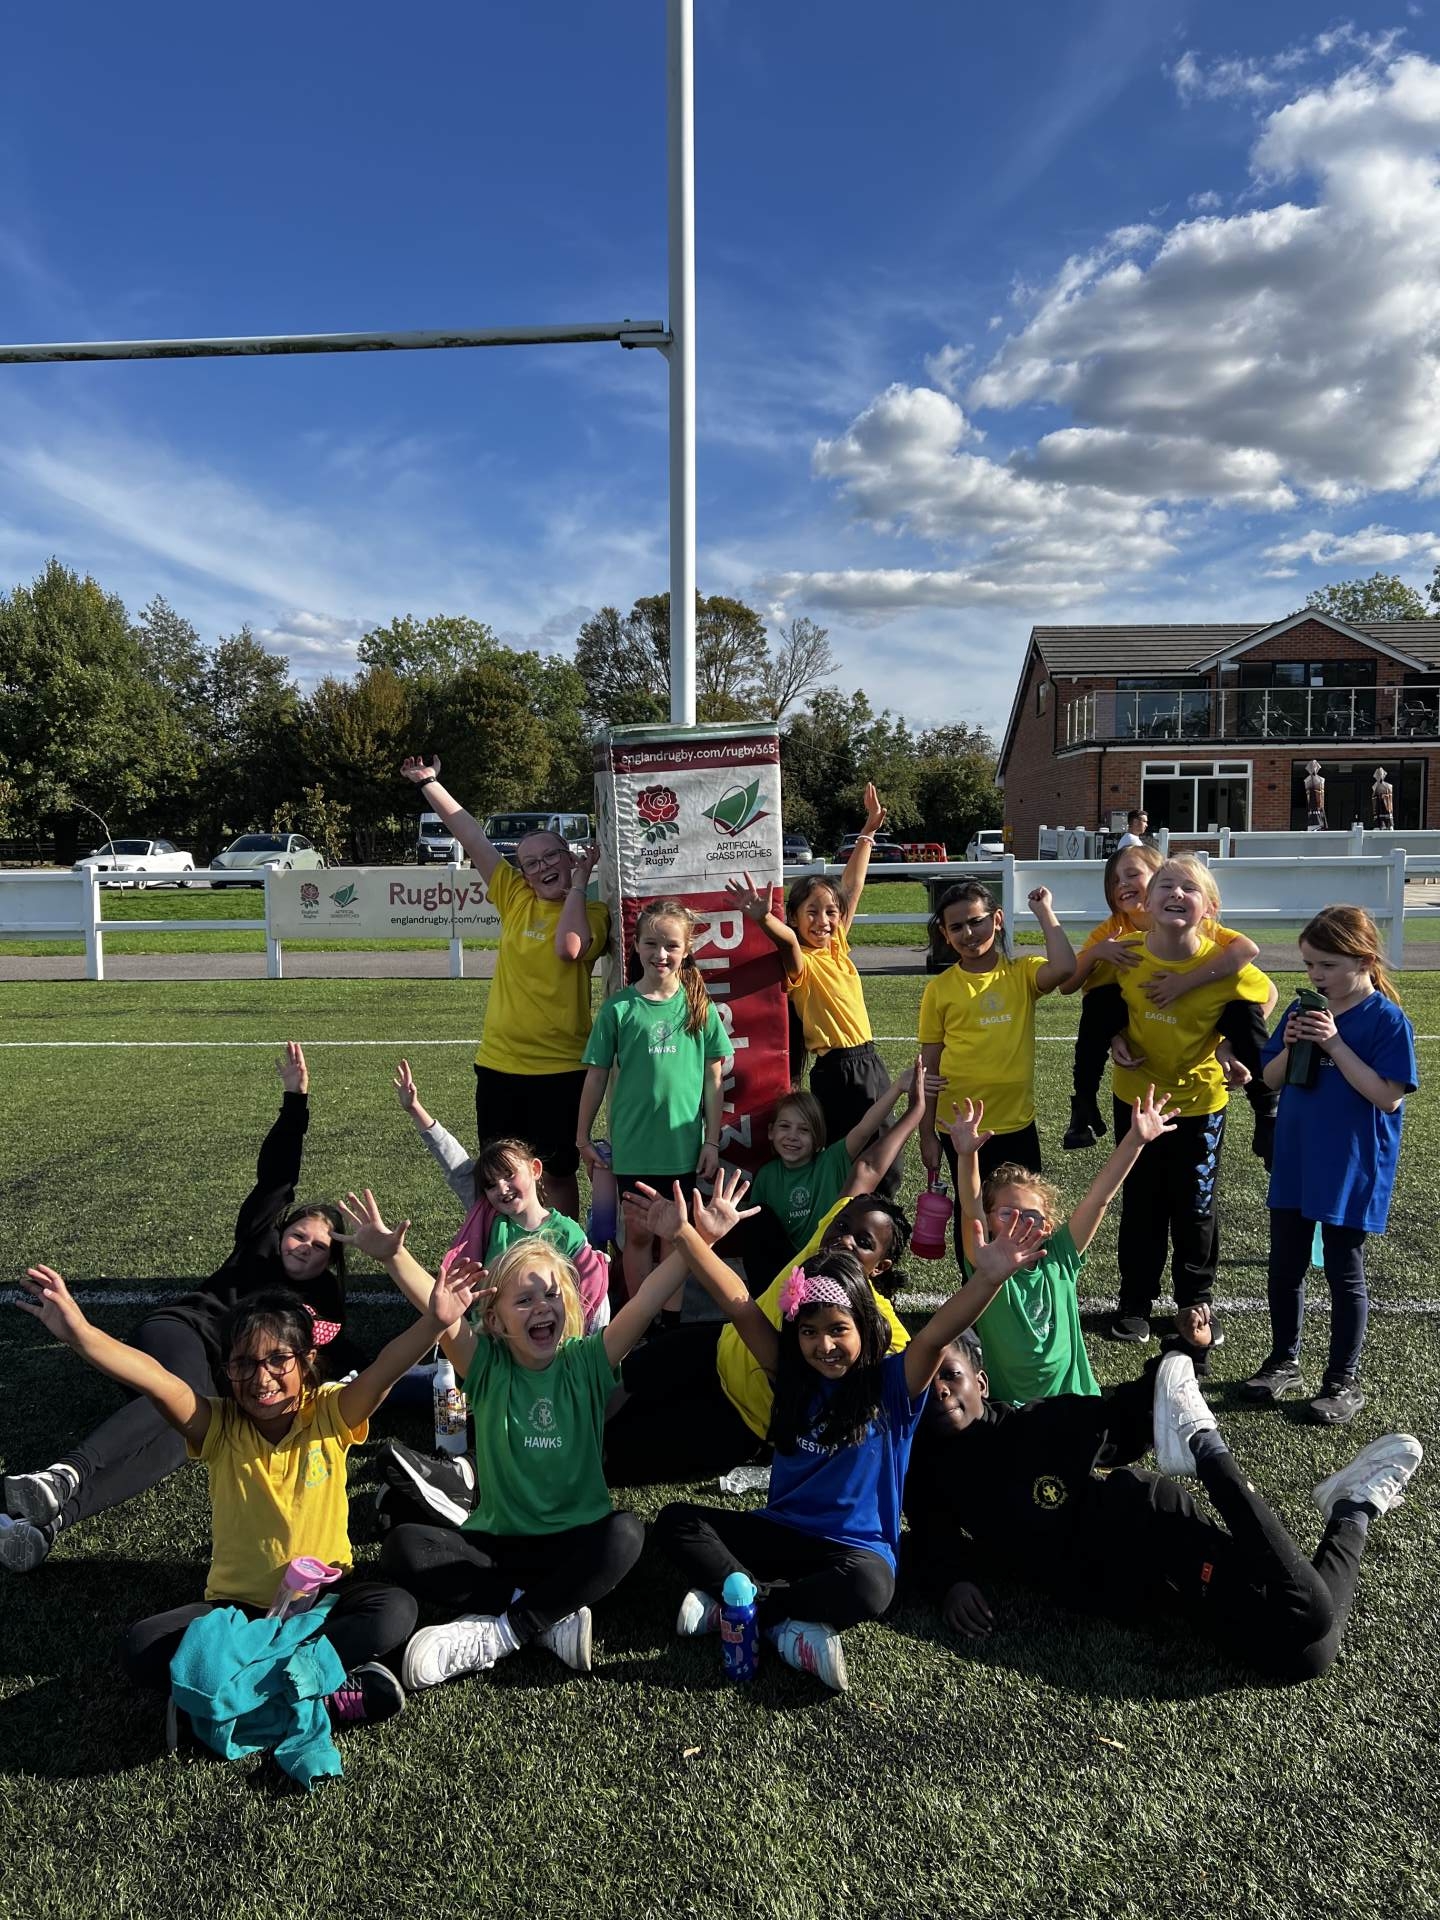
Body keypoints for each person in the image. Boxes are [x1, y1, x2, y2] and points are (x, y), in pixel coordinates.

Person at [13, 1263, 484, 1728]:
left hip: (324, 1601)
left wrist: (436, 1322)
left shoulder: (331, 1414)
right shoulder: (217, 1426)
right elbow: (155, 1379)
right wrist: (80, 1333)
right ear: (227, 1370)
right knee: (141, 1646)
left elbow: (385, 1370)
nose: (262, 1378)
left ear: (307, 1360)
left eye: (278, 1359)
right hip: (238, 1614)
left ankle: (247, 1694)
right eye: (244, 1364)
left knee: (394, 1609)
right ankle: (315, 1692)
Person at [340, 1172, 755, 1689]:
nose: (542, 1307)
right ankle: (548, 1616)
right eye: (524, 1300)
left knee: (626, 1533)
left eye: (552, 1295)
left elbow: (647, 1299)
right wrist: (393, 1256)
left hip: (576, 1547)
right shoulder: (486, 1367)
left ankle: (505, 1631)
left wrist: (701, 1238)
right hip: (500, 1546)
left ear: (569, 1305)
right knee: (403, 1547)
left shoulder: (587, 1361)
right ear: (495, 1321)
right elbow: (442, 1311)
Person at [651, 1203, 1046, 1690]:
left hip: (853, 1552)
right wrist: (684, 1234)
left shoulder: (894, 1386)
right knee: (676, 1521)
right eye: (809, 1332)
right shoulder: (791, 1376)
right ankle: (773, 1615)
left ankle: (747, 1607)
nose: (824, 1346)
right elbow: (740, 1305)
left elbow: (936, 1335)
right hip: (781, 1533)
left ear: (864, 1324)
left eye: (839, 1329)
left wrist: (988, 1279)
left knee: (873, 1587)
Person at [3, 1045, 361, 1575]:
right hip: (182, 1334)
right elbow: (277, 1179)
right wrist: (295, 1101)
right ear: (282, 1231)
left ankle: (48, 1523)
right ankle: (64, 1474)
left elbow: (338, 1359)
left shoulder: (326, 1303)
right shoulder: (259, 1244)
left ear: (333, 1259)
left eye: (320, 1246)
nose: (305, 1247)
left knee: (178, 1442)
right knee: (184, 1392)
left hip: (217, 1380)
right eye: (299, 1234)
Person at [902, 1319, 1422, 1684]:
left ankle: (1206, 1447)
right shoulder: (926, 1468)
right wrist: (951, 1582)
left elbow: (1123, 1413)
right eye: (928, 1382)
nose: (941, 1389)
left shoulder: (1035, 1425)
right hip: (1145, 1591)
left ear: (981, 1382)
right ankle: (1351, 1508)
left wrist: (1185, 1352)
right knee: (1306, 1656)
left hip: (1155, 1529)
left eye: (952, 1374)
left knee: (1305, 1611)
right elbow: (929, 1533)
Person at [399, 754, 609, 1223]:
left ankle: (562, 1252)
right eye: (531, 863)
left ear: (569, 858)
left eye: (551, 856)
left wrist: (579, 885)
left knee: (557, 1174)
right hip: (500, 1065)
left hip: (561, 1069)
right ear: (523, 873)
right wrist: (428, 782)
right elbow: (471, 835)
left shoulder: (593, 912)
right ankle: (505, 1255)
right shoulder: (515, 897)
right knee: (498, 1177)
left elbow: (570, 949)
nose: (542, 867)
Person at [602, 1191, 915, 1490]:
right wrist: (686, 1231)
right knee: (608, 1386)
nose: (845, 1239)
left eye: (864, 1242)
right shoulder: (829, 1240)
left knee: (615, 1453)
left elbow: (915, 1363)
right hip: (719, 1346)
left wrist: (685, 1234)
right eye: (842, 1226)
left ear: (880, 1267)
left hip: (738, 1419)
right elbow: (864, 1175)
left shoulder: (878, 1322)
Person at [1245, 906, 1418, 1426]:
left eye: (1327, 964)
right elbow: (1270, 1079)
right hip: (1296, 1157)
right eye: (1309, 965)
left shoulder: (1386, 1019)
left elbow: (1387, 1096)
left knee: (1344, 1271)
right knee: (1285, 1265)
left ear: (1363, 961)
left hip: (1351, 1164)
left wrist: (1334, 1043)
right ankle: (1283, 1361)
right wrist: (1291, 1043)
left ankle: (1342, 1379)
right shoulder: (1302, 1010)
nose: (1315, 975)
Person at [1105, 855, 1276, 1346]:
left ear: (1209, 909)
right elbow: (1100, 1003)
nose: (1176, 894)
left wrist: (1228, 1045)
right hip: (1138, 1101)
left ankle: (1194, 1303)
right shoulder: (1127, 954)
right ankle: (1135, 1302)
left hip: (1201, 1103)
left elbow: (1268, 993)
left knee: (1195, 1207)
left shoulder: (1223, 963)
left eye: (1190, 888)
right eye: (1166, 885)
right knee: (1141, 1205)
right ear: (1148, 899)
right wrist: (1115, 1035)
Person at [948, 1086, 1177, 1402]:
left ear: (1048, 1227)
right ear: (988, 1222)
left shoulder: (1060, 1258)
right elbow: (970, 1207)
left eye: (1032, 1216)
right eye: (1007, 1214)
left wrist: (1135, 1140)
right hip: (1013, 1413)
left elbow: (1099, 1198)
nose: (1020, 1222)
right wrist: (967, 1155)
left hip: (1076, 1403)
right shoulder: (986, 1267)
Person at [728, 787, 898, 1194]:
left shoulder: (837, 946)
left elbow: (852, 887)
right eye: (812, 912)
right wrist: (763, 918)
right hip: (836, 1071)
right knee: (849, 1160)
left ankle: (881, 1220)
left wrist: (868, 831)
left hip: (869, 1062)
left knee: (887, 1158)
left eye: (830, 913)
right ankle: (844, 1223)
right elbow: (787, 941)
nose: (823, 921)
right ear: (794, 917)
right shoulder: (801, 961)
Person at [1057, 844, 1265, 1154]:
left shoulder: (1210, 937)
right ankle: (1083, 1102)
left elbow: (1261, 982)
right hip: (1139, 1080)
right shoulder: (1116, 938)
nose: (1122, 884)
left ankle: (1267, 1106)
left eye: (1132, 874)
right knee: (1101, 1000)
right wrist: (1114, 1033)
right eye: (1114, 881)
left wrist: (1187, 984)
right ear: (1152, 900)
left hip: (1197, 1087)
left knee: (1242, 1009)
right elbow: (1085, 994)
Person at [577, 899, 731, 1311]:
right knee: (639, 1234)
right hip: (633, 1147)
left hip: (681, 1148)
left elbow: (713, 1080)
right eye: (651, 944)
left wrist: (711, 1142)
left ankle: (669, 1322)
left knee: (675, 1236)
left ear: (687, 949)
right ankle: (640, 1320)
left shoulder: (699, 1007)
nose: (660, 954)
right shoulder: (619, 1008)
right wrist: (582, 1138)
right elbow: (595, 1077)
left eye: (671, 945)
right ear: (636, 946)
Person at [391, 1059, 609, 1329]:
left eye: (509, 1175)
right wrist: (415, 1110)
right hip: (493, 1336)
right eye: (491, 1185)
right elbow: (454, 1163)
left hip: (543, 1340)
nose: (502, 1188)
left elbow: (589, 1296)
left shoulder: (566, 1232)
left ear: (535, 1169)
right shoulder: (491, 1218)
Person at [917, 879, 1076, 1191]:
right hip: (959, 1127)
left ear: (998, 919)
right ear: (945, 934)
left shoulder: (1022, 972)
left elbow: (1065, 968)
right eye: (956, 927)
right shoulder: (939, 989)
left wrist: (1044, 912)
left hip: (1016, 1122)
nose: (968, 933)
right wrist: (926, 1134)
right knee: (971, 1211)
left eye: (977, 921)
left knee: (1023, 1209)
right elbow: (928, 1068)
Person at [750, 1057, 932, 1255]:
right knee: (759, 1220)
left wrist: (898, 1088)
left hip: (827, 1259)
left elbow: (865, 1129)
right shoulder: (766, 1175)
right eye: (785, 1126)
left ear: (818, 1137)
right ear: (771, 1132)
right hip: (785, 1267)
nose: (792, 1136)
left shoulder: (831, 1161)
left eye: (804, 1130)